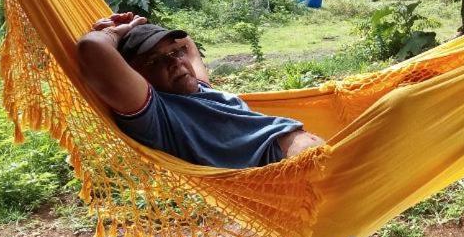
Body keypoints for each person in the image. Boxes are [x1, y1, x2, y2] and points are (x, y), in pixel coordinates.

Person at [77, 12, 324, 168]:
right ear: (136, 75)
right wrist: (112, 32)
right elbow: (91, 48)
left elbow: (187, 43)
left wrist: (138, 26)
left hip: (309, 159)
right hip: (288, 170)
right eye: (155, 60)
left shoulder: (198, 89)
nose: (175, 62)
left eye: (175, 53)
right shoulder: (157, 113)